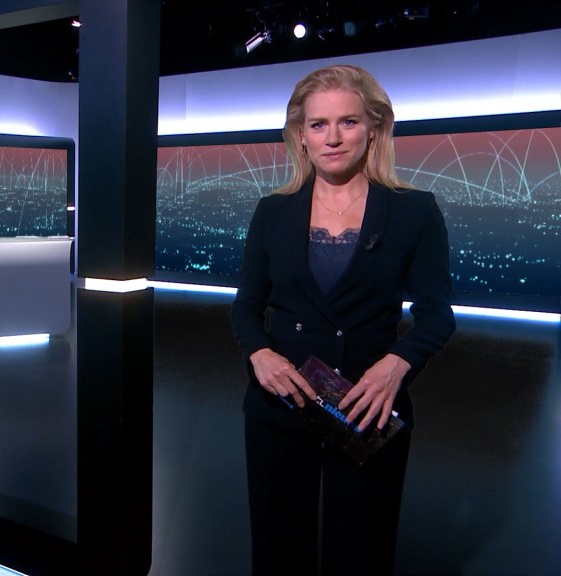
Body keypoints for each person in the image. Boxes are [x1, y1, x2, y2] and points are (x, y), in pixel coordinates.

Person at [229, 64, 456, 575]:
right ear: (301, 136)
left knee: (361, 554)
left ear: (374, 128)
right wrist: (259, 352)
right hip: (281, 404)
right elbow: (246, 307)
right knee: (278, 552)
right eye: (318, 125)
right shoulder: (272, 212)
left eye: (348, 122)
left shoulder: (415, 211)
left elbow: (436, 316)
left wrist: (396, 365)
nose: (332, 138)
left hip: (366, 408)